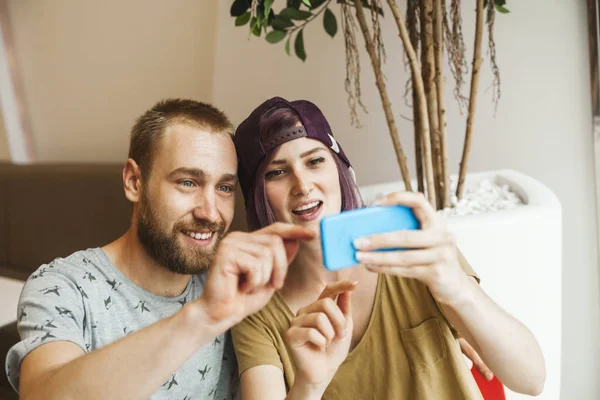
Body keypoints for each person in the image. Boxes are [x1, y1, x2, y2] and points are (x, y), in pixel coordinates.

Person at [231, 97, 546, 399]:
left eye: (315, 161)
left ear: (341, 171)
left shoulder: (408, 247)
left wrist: (456, 287)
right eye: (277, 172)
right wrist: (310, 385)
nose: (302, 185)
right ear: (257, 197)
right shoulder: (256, 310)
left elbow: (531, 379)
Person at [4, 98, 315, 400]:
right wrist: (204, 317)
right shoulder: (63, 287)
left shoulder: (237, 287)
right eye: (188, 182)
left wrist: (310, 384)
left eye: (224, 188)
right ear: (134, 182)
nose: (209, 212)